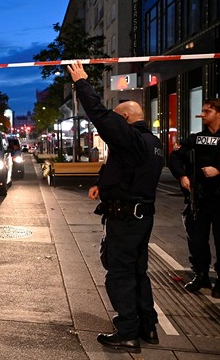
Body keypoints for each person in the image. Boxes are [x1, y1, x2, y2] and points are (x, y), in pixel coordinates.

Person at [67, 61, 164, 353]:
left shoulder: (130, 138)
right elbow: (124, 169)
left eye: (118, 120)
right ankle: (148, 327)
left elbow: (100, 116)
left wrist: (82, 82)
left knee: (120, 274)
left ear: (125, 119)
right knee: (138, 272)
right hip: (142, 216)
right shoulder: (153, 142)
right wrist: (102, 184)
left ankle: (127, 333)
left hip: (126, 219)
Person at [168, 99, 220, 298]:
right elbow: (175, 157)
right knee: (197, 239)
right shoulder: (196, 139)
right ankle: (201, 274)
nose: (203, 114)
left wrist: (218, 170)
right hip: (198, 198)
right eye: (203, 111)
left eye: (208, 111)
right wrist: (182, 176)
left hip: (219, 199)